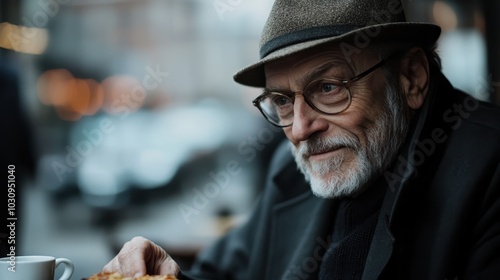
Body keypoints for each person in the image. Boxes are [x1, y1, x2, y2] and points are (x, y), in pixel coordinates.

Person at [103, 0, 500, 279]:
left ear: (411, 77)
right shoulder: (289, 170)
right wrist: (166, 273)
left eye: (328, 87)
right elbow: (227, 271)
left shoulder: (489, 165)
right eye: (281, 101)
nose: (299, 129)